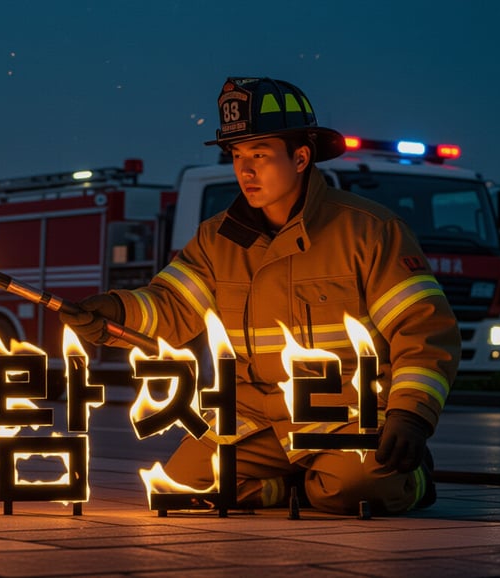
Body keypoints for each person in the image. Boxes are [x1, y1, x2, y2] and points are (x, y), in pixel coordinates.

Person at [61, 77, 460, 516]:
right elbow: (172, 304)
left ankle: (413, 478)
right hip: (256, 420)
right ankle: (293, 488)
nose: (245, 170)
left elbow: (423, 330)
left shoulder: (368, 231)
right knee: (180, 487)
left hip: (346, 416)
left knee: (356, 489)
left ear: (301, 157)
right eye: (237, 156)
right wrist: (116, 310)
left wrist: (410, 415)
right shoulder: (217, 240)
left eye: (260, 155)